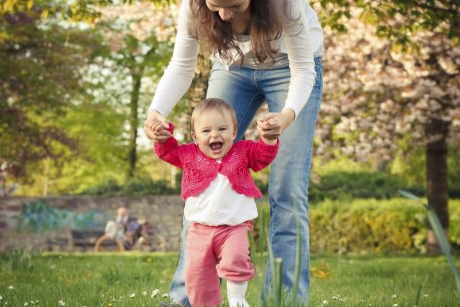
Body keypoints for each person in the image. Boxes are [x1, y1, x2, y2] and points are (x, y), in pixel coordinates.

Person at [144, 0, 324, 305]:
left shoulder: (285, 5)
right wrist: (155, 112)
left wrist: (287, 116)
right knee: (203, 178)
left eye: (234, 5)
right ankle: (186, 300)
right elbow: (181, 65)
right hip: (232, 69)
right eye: (216, 5)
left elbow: (304, 70)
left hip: (290, 71)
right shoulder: (194, 7)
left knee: (288, 192)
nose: (225, 15)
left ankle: (285, 299)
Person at [152, 98, 279, 307]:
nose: (215, 135)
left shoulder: (243, 151)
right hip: (199, 230)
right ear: (195, 136)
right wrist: (162, 136)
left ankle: (237, 300)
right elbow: (168, 151)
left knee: (236, 259)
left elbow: (262, 156)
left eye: (222, 128)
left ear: (234, 131)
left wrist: (269, 139)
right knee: (197, 275)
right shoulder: (188, 154)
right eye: (206, 131)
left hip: (235, 227)